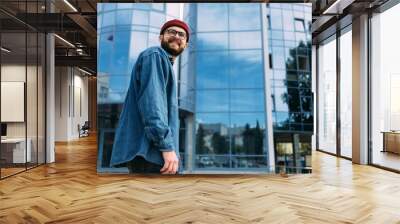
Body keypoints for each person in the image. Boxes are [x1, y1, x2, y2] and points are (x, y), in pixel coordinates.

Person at [109, 19, 189, 175]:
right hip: (152, 155)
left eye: (182, 35)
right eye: (171, 32)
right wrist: (166, 146)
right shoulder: (155, 55)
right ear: (160, 38)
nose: (177, 36)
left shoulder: (163, 63)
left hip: (152, 156)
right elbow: (152, 105)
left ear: (185, 44)